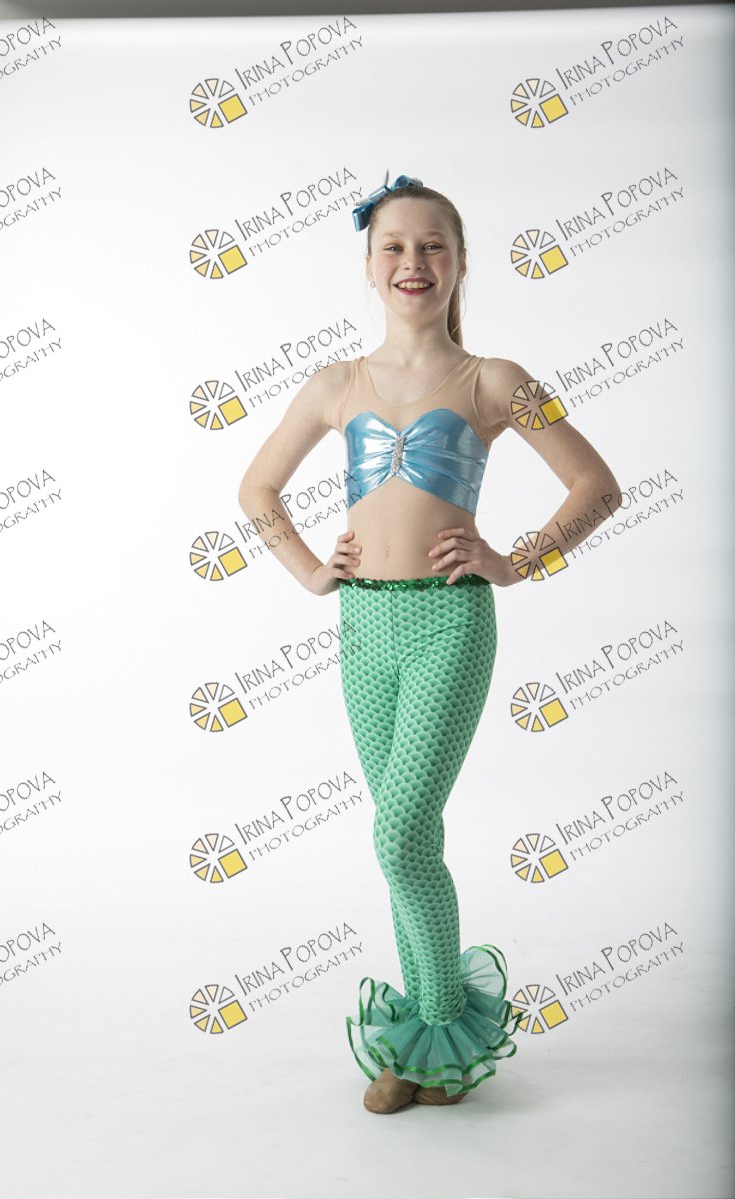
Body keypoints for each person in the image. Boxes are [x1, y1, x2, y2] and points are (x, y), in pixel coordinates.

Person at [237, 171, 621, 1115]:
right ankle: (420, 1032)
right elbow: (256, 489)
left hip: (449, 621)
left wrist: (513, 562)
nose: (414, 262)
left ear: (459, 263)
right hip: (363, 624)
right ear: (369, 266)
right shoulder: (335, 384)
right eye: (395, 247)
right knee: (408, 837)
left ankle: (441, 1036)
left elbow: (596, 486)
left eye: (433, 245)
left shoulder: (494, 380)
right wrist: (311, 571)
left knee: (399, 832)